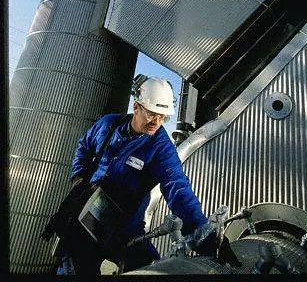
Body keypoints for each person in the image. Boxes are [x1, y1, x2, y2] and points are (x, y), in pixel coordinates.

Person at [56, 75, 212, 275]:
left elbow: (177, 187)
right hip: (86, 217)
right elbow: (84, 147)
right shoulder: (108, 125)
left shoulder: (160, 148)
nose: (157, 122)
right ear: (136, 106)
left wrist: (202, 232)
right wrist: (79, 177)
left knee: (153, 270)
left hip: (125, 228)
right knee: (73, 268)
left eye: (163, 117)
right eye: (152, 114)